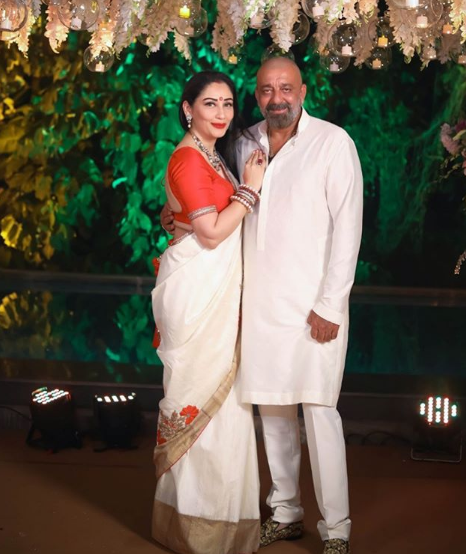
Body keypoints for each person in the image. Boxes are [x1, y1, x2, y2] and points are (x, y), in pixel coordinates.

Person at [235, 57, 363, 554]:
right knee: (273, 413)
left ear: (303, 91)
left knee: (320, 413)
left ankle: (337, 529)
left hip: (315, 309)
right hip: (260, 307)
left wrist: (331, 305)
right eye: (267, 90)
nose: (277, 98)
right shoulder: (243, 142)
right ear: (257, 95)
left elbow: (348, 230)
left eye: (286, 88)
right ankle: (285, 512)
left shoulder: (333, 143)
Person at [151, 71, 266, 554]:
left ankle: (222, 524)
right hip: (196, 295)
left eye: (227, 104)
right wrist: (250, 188)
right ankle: (193, 528)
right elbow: (213, 233)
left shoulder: (211, 155)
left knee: (227, 410)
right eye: (209, 104)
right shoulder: (187, 158)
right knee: (201, 402)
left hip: (212, 291)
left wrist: (178, 219)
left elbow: (183, 216)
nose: (221, 113)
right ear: (188, 109)